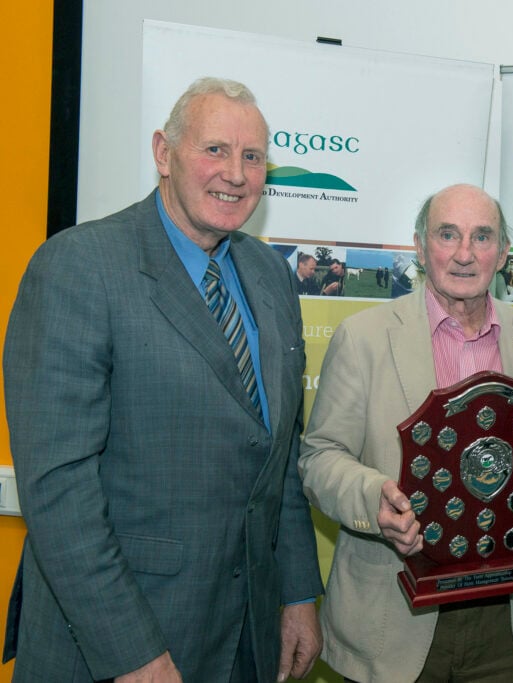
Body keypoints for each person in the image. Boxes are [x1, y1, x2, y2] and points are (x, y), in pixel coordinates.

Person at [1, 77, 323, 683]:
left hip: (244, 636)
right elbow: (58, 489)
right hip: (116, 642)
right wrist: (132, 654)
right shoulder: (79, 266)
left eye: (252, 157)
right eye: (215, 150)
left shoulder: (270, 276)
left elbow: (279, 458)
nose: (235, 173)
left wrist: (299, 593)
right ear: (162, 153)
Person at [298, 183, 513, 682]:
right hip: (394, 617)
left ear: (504, 252)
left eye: (482, 236)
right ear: (420, 247)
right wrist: (372, 499)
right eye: (448, 234)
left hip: (507, 624)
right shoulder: (362, 339)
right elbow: (320, 456)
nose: (465, 254)